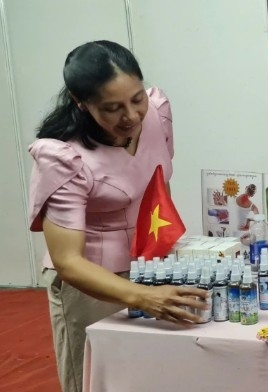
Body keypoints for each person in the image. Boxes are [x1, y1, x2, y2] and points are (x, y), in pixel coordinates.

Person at [26, 41, 207, 392]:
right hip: (92, 284)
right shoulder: (64, 156)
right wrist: (143, 297)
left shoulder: (156, 112)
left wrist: (167, 256)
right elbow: (68, 262)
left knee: (158, 375)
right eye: (112, 108)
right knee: (98, 378)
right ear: (82, 104)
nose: (132, 116)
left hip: (150, 265)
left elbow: (158, 185)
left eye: (136, 98)